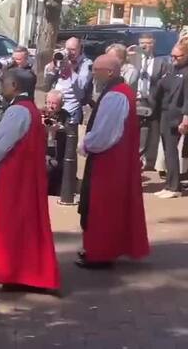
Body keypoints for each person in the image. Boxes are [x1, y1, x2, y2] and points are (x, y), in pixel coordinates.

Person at [0, 69, 60, 292]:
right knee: (25, 224)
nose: (2, 86)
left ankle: (11, 270)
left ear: (14, 85)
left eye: (4, 82)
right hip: (26, 175)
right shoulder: (31, 109)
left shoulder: (17, 112)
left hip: (12, 177)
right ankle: (22, 271)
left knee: (7, 224)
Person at [77, 55, 149, 267]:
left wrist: (86, 144)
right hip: (116, 159)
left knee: (102, 209)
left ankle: (99, 254)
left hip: (108, 162)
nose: (93, 73)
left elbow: (105, 133)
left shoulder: (115, 96)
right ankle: (96, 249)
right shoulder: (121, 92)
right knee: (107, 208)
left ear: (109, 72)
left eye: (97, 69)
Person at [151, 37, 188, 199]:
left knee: (172, 151)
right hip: (164, 112)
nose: (173, 59)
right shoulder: (172, 69)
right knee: (167, 149)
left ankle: (174, 187)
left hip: (178, 115)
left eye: (177, 56)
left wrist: (186, 118)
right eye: (172, 55)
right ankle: (170, 184)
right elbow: (160, 88)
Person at [132, 32, 171, 170]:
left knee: (153, 131)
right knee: (137, 131)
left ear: (153, 44)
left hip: (153, 100)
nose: (145, 46)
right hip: (136, 99)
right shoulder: (134, 59)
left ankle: (150, 161)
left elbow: (164, 83)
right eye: (142, 43)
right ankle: (136, 158)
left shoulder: (161, 62)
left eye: (148, 43)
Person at [45, 37, 93, 124]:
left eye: (73, 50)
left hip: (72, 108)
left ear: (81, 49)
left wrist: (70, 69)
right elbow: (47, 78)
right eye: (67, 49)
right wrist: (54, 63)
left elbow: (81, 86)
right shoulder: (62, 59)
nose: (70, 52)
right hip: (55, 106)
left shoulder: (86, 64)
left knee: (69, 136)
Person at [43, 90, 69, 196]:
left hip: (58, 151)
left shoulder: (65, 116)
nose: (51, 106)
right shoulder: (42, 113)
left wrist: (59, 128)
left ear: (61, 104)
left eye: (54, 103)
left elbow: (69, 130)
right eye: (48, 102)